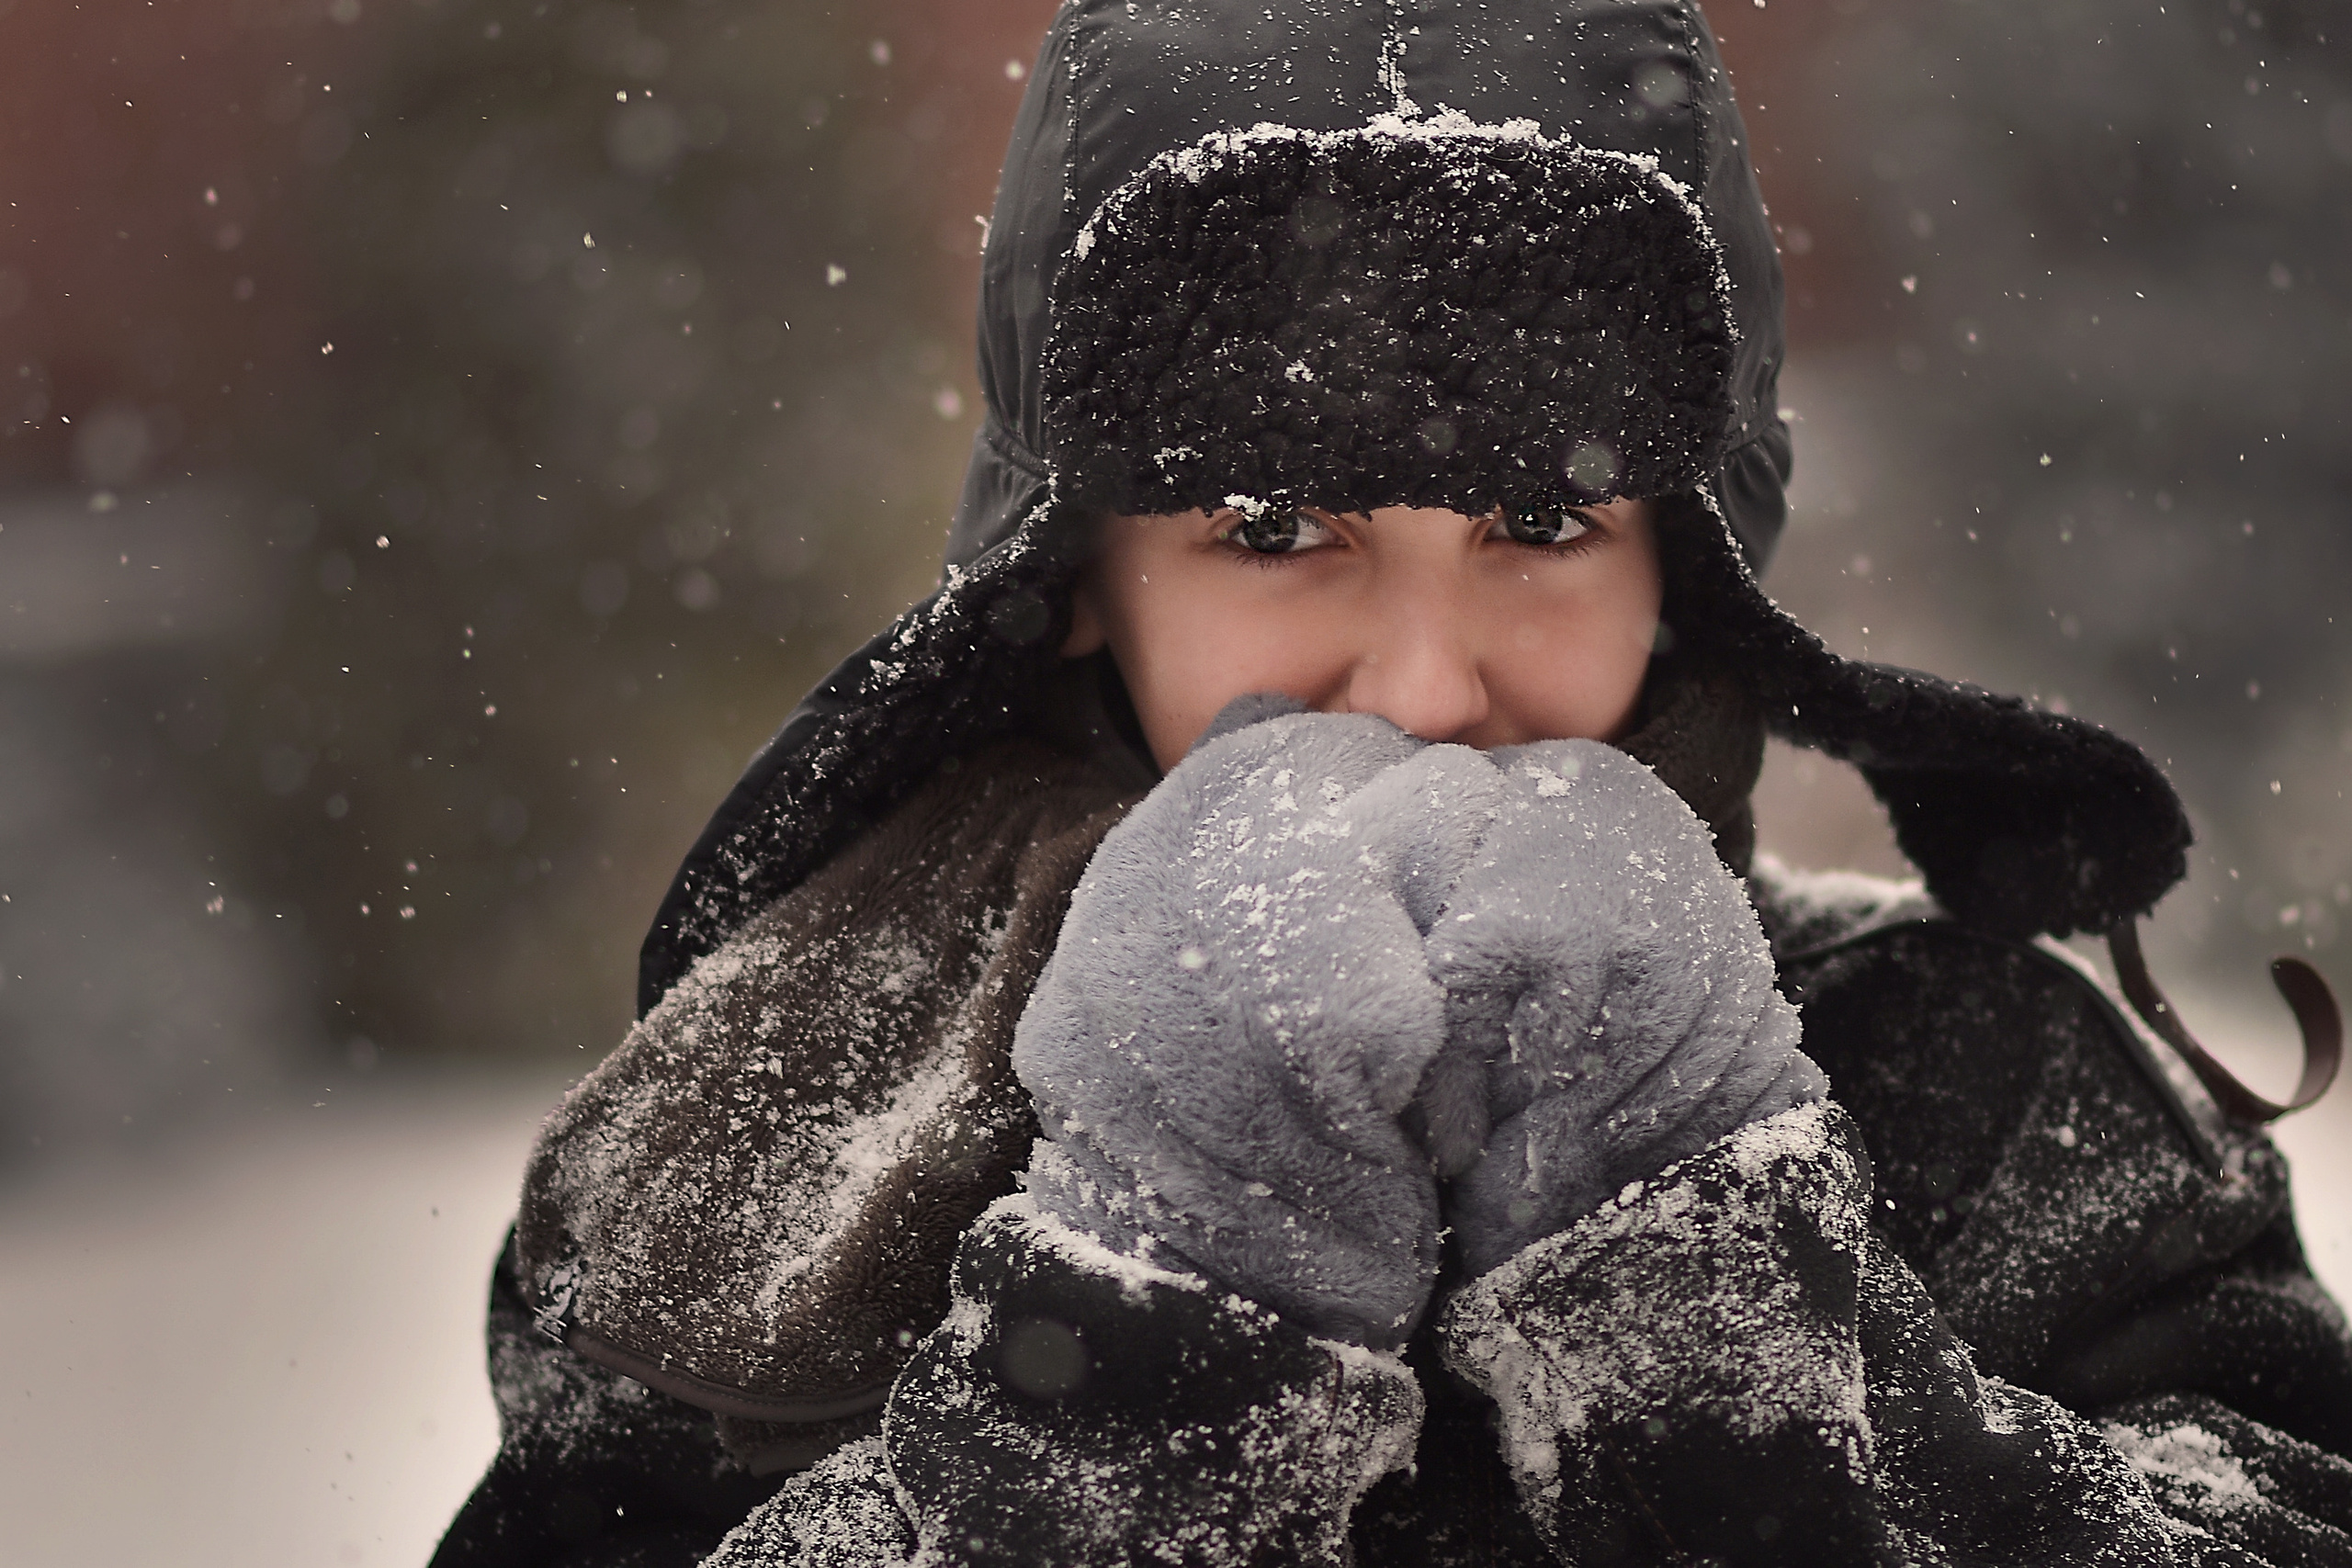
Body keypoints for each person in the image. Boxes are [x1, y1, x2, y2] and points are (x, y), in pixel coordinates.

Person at [431, 2, 2352, 1563]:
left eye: (1535, 518)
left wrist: (1733, 1318)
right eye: (1275, 525)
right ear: (1074, 581)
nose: (1428, 683)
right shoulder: (773, 1140)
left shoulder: (1986, 1084)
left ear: (1683, 572)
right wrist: (1131, 1343)